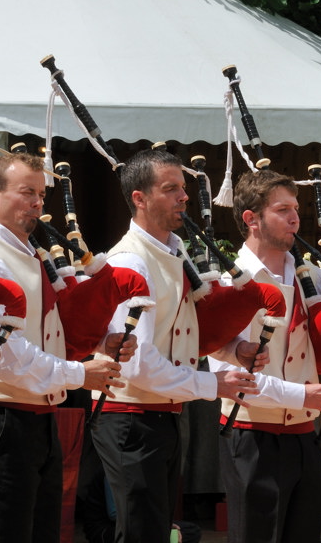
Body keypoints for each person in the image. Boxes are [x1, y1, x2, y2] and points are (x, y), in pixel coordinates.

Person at [0, 152, 135, 543]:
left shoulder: (32, 256)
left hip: (39, 421)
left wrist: (104, 340)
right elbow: (7, 356)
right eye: (26, 193)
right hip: (2, 422)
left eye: (40, 194)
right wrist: (80, 374)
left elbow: (55, 328)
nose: (37, 203)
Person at [90, 148, 264, 543]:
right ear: (140, 198)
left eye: (183, 188)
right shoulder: (129, 262)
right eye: (170, 189)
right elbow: (136, 362)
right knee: (141, 533)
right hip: (131, 418)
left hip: (162, 414)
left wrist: (234, 348)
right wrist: (211, 386)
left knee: (156, 531)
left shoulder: (174, 250)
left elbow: (186, 330)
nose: (184, 197)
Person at [208, 168, 321, 543]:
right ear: (251, 220)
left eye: (296, 208)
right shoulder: (228, 280)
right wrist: (304, 395)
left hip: (304, 437)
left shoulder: (312, 277)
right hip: (251, 437)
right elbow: (228, 376)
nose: (295, 218)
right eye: (282, 209)